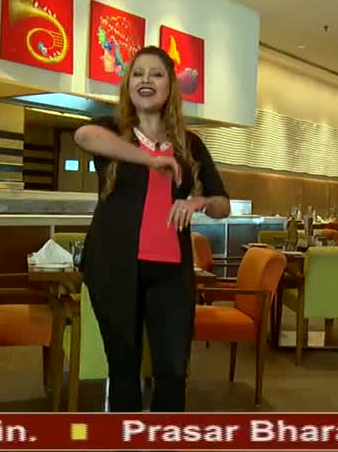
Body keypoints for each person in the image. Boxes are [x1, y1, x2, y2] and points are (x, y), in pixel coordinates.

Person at [75, 45, 231, 412]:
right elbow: (84, 137)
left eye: (156, 74)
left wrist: (200, 202)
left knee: (173, 369)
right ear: (129, 84)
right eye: (138, 73)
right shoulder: (111, 131)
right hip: (113, 267)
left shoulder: (189, 145)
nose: (146, 80)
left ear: (170, 88)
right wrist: (150, 159)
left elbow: (222, 202)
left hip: (171, 272)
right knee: (124, 368)